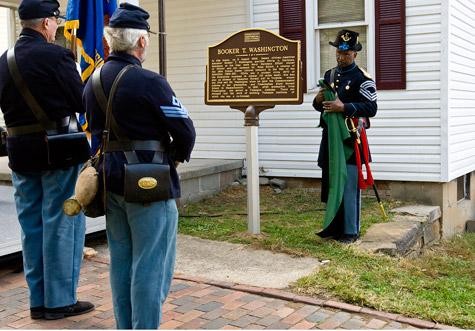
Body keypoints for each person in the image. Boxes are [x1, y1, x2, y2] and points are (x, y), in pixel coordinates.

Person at [82, 3, 196, 329]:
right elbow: (185, 131)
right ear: (141, 42)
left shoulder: (92, 81)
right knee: (151, 265)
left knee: (122, 261)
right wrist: (173, 158)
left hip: (111, 181)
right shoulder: (149, 81)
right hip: (150, 181)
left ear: (110, 40)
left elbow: (93, 130)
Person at [0, 0, 94, 320]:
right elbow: (80, 101)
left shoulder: (3, 61)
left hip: (20, 152)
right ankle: (59, 301)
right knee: (62, 224)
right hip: (59, 150)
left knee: (31, 228)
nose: (57, 26)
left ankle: (37, 301)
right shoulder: (56, 55)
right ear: (45, 25)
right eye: (56, 20)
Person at [313, 29, 377, 243]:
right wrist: (318, 100)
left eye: (347, 53)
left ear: (355, 54)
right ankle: (334, 227)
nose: (341, 57)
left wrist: (345, 106)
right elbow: (320, 107)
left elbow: (371, 108)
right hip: (331, 138)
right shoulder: (330, 75)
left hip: (350, 140)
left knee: (349, 185)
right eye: (339, 53)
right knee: (332, 182)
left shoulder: (363, 78)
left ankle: (350, 231)